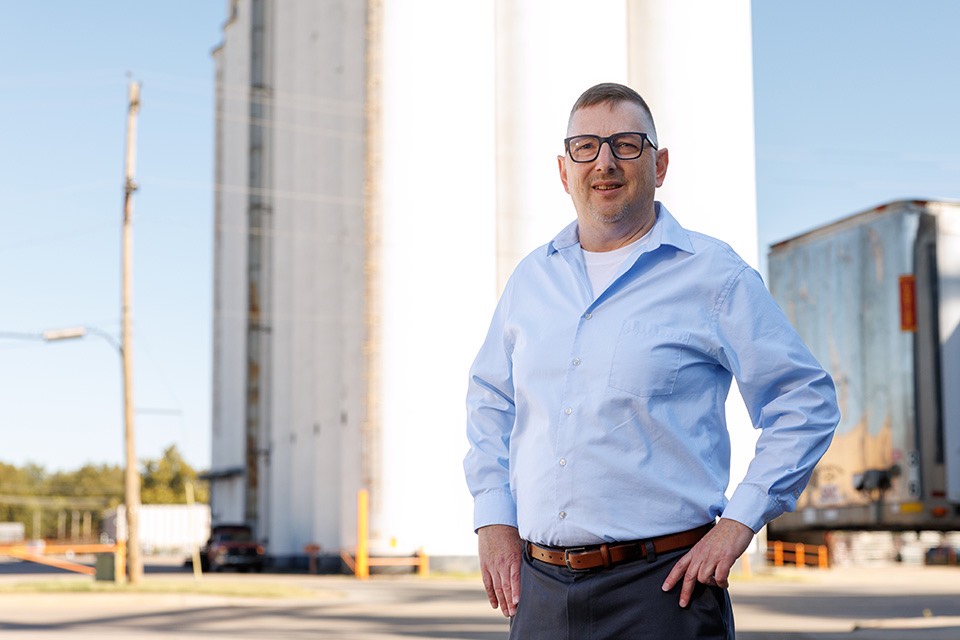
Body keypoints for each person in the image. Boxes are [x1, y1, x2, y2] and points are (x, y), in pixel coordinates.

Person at [463, 82, 839, 639]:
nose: (605, 163)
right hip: (539, 592)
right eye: (586, 147)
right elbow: (490, 400)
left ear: (659, 165)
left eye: (627, 145)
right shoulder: (531, 281)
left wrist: (738, 524)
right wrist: (493, 517)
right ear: (563, 171)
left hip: (663, 593)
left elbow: (804, 400)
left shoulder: (714, 275)